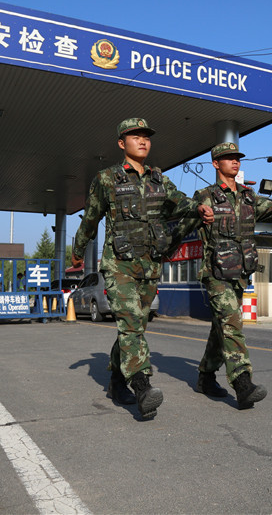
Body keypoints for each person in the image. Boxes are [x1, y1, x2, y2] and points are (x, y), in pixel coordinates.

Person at [71, 118, 214, 420]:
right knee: (132, 324)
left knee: (134, 327)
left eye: (146, 136)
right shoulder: (107, 178)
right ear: (122, 144)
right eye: (135, 136)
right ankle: (142, 385)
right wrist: (77, 252)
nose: (143, 141)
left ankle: (115, 380)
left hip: (149, 265)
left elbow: (179, 202)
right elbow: (91, 218)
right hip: (118, 264)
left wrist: (198, 208)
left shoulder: (159, 179)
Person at [172, 142, 272, 409]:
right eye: (228, 158)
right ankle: (243, 383)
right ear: (215, 164)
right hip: (216, 273)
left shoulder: (248, 196)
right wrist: (162, 249)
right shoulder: (204, 196)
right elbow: (183, 221)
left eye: (237, 158)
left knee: (221, 327)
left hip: (240, 272)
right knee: (232, 323)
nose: (235, 162)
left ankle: (205, 377)